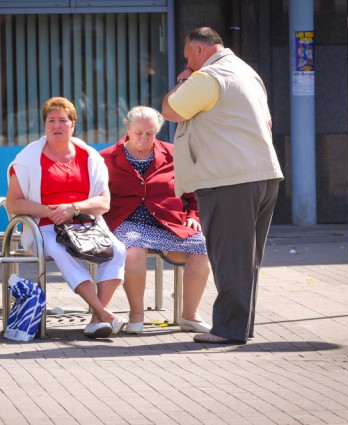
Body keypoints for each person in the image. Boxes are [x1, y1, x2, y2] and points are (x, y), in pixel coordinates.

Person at [161, 27, 284, 344]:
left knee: (230, 258)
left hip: (230, 180)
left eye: (189, 57)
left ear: (199, 50)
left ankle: (229, 330)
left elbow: (170, 109)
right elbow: (267, 121)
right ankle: (241, 326)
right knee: (247, 259)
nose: (188, 63)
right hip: (263, 175)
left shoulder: (207, 77)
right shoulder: (247, 72)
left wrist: (183, 80)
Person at [6, 96, 127, 339]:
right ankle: (105, 313)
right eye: (51, 120)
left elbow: (104, 203)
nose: (56, 126)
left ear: (73, 125)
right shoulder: (29, 158)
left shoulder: (90, 157)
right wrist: (51, 211)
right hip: (45, 226)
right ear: (44, 125)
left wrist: (73, 208)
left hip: (86, 225)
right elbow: (14, 202)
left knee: (119, 250)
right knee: (62, 251)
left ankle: (97, 319)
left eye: (63, 120)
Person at [100, 106, 212, 334]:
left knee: (202, 248)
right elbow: (97, 195)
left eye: (150, 134)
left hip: (167, 221)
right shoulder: (106, 158)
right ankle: (136, 315)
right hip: (126, 221)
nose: (144, 138)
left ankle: (190, 315)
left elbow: (193, 193)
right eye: (139, 133)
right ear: (127, 129)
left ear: (157, 132)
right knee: (133, 251)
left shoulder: (173, 154)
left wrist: (193, 217)